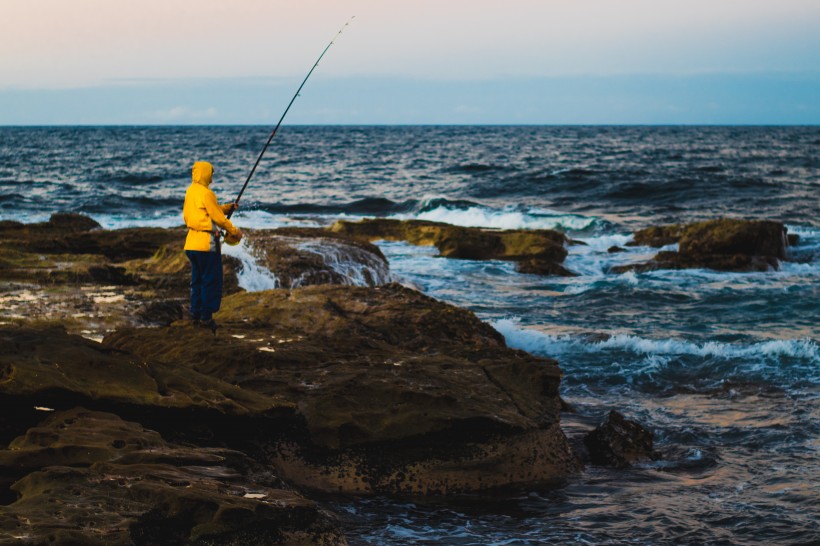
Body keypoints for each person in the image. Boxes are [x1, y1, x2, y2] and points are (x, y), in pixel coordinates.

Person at [183, 161, 243, 333]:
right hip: (206, 246)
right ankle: (206, 318)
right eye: (211, 174)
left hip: (191, 244)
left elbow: (209, 211)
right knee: (211, 281)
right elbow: (219, 219)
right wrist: (235, 231)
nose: (212, 178)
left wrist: (228, 207)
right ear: (206, 173)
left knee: (197, 281)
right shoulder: (207, 193)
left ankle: (195, 314)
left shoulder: (191, 191)